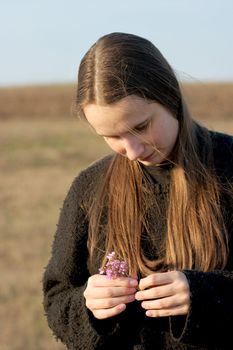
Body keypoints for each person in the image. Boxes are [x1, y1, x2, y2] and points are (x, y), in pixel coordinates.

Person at [42, 32, 233, 349]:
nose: (131, 151)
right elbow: (57, 297)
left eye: (141, 127)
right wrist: (89, 306)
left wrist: (206, 296)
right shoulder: (89, 188)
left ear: (168, 95)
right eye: (111, 135)